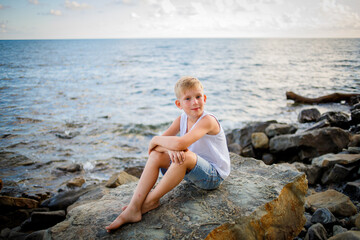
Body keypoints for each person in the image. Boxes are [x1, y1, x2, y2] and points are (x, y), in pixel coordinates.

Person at [105, 76, 231, 232]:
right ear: (179, 104)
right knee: (157, 156)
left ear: (204, 98)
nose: (195, 102)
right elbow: (155, 150)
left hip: (212, 176)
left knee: (182, 156)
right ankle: (134, 206)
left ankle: (150, 201)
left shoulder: (208, 121)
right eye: (188, 98)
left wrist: (157, 140)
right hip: (192, 172)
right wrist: (166, 147)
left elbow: (178, 143)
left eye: (198, 96)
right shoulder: (181, 120)